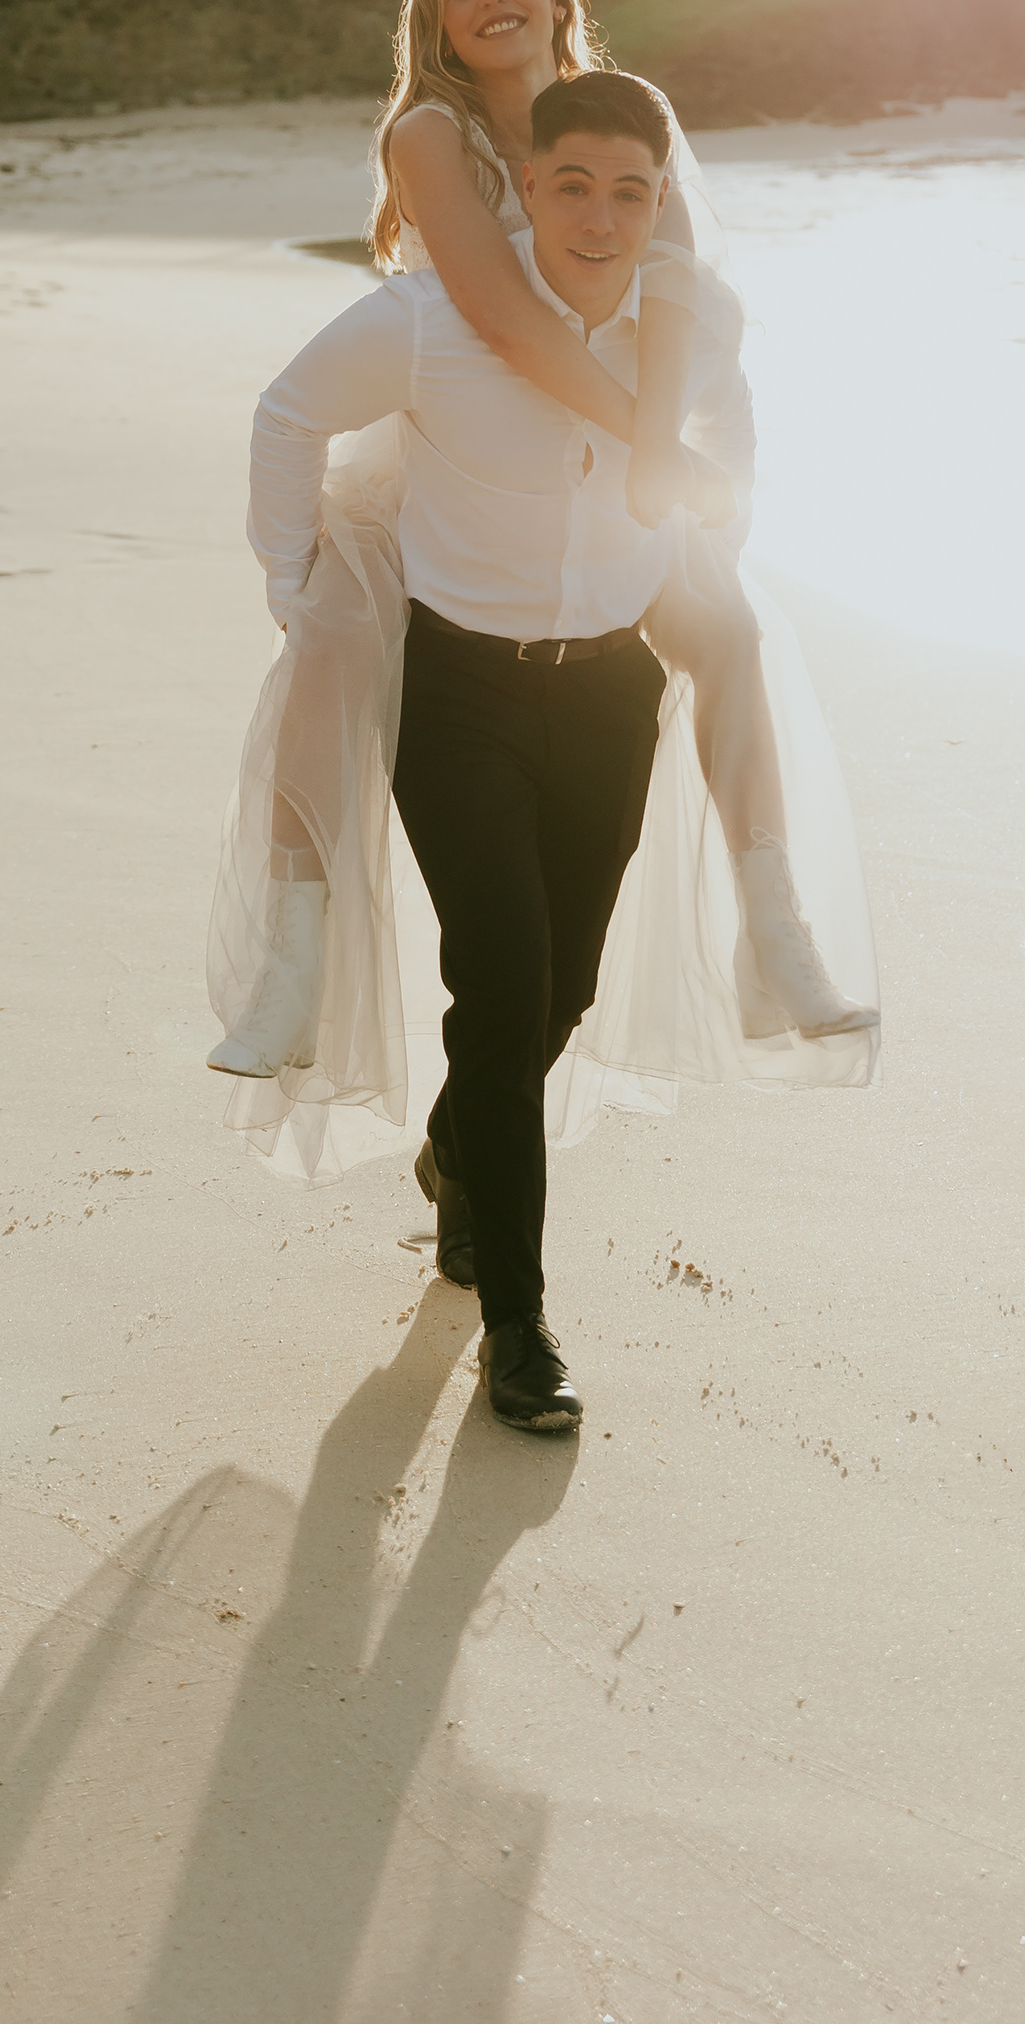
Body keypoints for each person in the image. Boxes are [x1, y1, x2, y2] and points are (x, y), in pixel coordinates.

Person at [206, 0, 870, 1142]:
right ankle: (291, 967)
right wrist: (650, 447)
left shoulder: (620, 113)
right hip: (451, 452)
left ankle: (773, 934)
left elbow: (673, 298)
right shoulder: (431, 132)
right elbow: (505, 322)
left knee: (728, 629)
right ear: (438, 22)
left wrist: (660, 479)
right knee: (332, 639)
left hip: (611, 458)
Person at [226, 73, 759, 1428]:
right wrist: (294, 585)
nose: (599, 218)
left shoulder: (688, 329)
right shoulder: (429, 321)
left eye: (629, 193)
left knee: (562, 988)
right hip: (459, 693)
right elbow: (288, 412)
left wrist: (714, 542)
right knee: (504, 979)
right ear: (526, 186)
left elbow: (730, 450)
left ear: (660, 202)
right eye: (572, 185)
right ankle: (517, 1329)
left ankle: (457, 1146)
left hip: (611, 691)